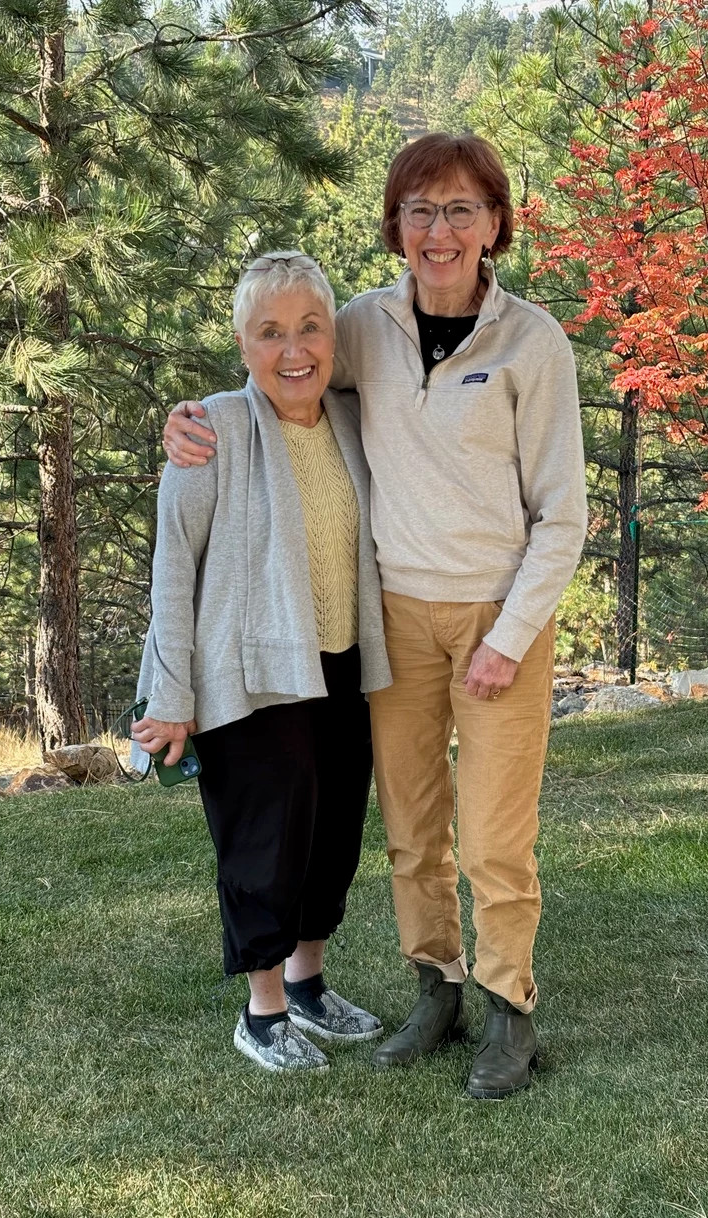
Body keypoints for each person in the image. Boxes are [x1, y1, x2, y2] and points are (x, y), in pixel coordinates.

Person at [162, 134, 588, 1100]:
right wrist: (194, 416)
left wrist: (510, 637)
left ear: (495, 226)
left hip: (494, 620)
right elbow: (283, 360)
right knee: (410, 830)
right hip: (392, 620)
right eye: (420, 212)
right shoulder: (364, 327)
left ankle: (507, 1012)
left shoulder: (534, 345)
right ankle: (434, 989)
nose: (440, 231)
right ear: (395, 226)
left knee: (492, 834)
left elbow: (563, 515)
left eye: (461, 211)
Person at [132, 251, 392, 1075]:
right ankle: (264, 1008)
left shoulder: (350, 418)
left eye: (310, 327)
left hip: (342, 669)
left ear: (333, 336)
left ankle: (311, 985)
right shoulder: (211, 428)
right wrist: (171, 695)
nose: (294, 350)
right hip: (248, 679)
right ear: (242, 344)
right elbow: (173, 568)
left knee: (332, 835)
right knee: (264, 842)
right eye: (270, 332)